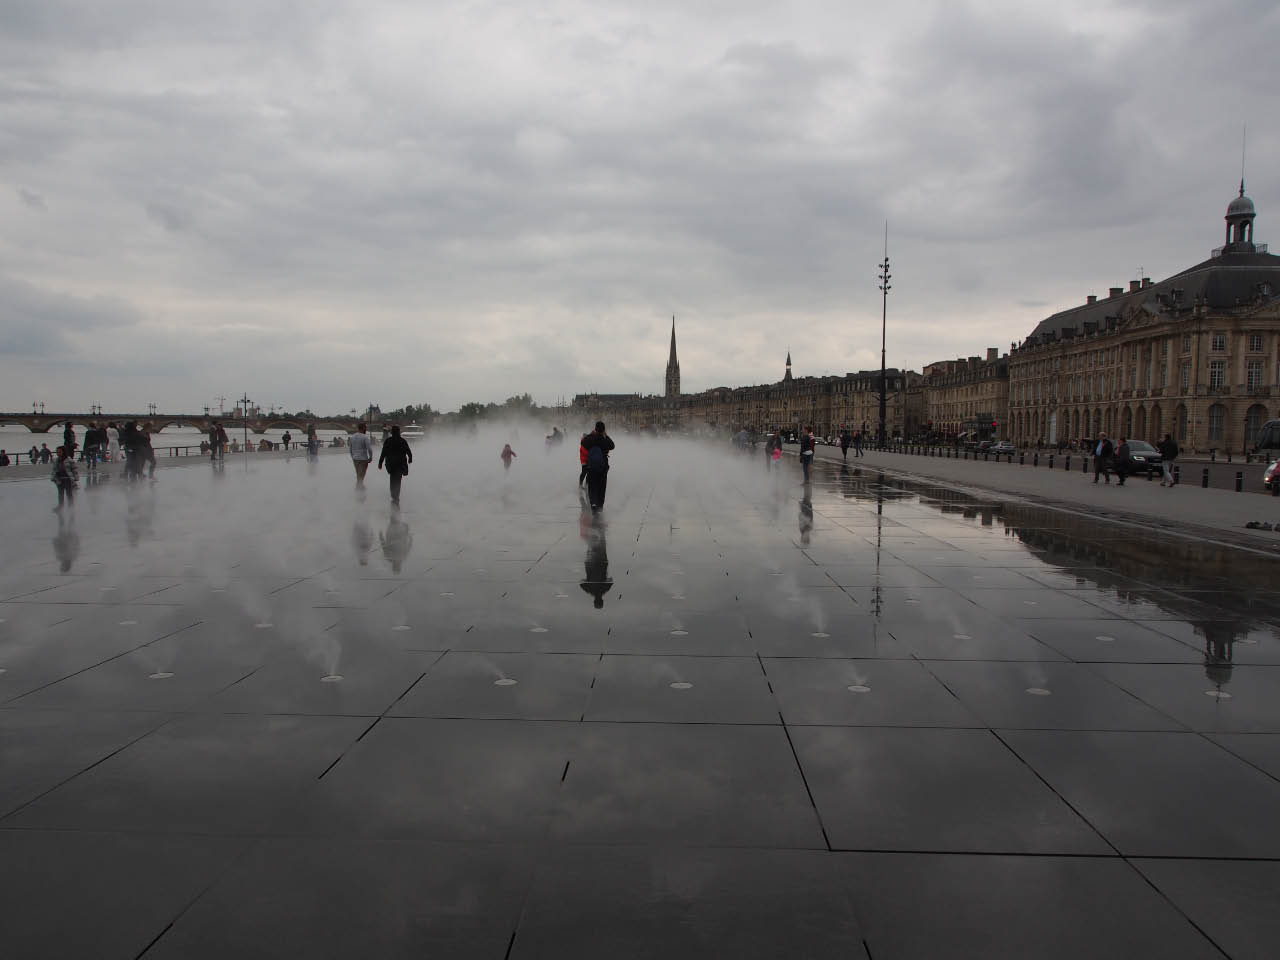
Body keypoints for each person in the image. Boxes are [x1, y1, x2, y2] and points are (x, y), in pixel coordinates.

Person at [581, 420, 615, 512]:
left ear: (595, 429)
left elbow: (583, 442)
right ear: (603, 429)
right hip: (603, 466)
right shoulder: (604, 439)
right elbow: (612, 446)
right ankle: (600, 505)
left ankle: (593, 503)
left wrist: (592, 434)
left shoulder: (591, 438)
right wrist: (606, 436)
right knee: (601, 486)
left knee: (592, 486)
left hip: (591, 466)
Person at [377, 424, 413, 506]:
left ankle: (393, 494)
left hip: (390, 463)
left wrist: (380, 462)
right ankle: (396, 495)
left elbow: (383, 452)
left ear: (392, 432)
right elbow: (408, 451)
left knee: (392, 478)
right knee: (398, 479)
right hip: (400, 463)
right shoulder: (403, 441)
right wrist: (410, 459)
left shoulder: (388, 441)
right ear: (399, 432)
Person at [51, 445, 77, 511]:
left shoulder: (69, 460)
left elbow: (74, 469)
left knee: (69, 493)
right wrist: (53, 477)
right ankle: (60, 506)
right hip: (59, 479)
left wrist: (75, 478)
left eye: (59, 452)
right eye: (57, 452)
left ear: (64, 452)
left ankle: (71, 506)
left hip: (67, 479)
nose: (58, 453)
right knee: (60, 493)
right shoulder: (56, 460)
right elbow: (54, 470)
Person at [349, 422, 374, 488]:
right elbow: (369, 449)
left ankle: (359, 487)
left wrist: (352, 457)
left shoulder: (352, 437)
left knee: (358, 474)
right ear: (363, 428)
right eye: (365, 427)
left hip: (355, 458)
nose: (366, 429)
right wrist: (370, 457)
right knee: (362, 474)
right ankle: (359, 487)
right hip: (363, 459)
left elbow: (350, 449)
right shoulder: (365, 437)